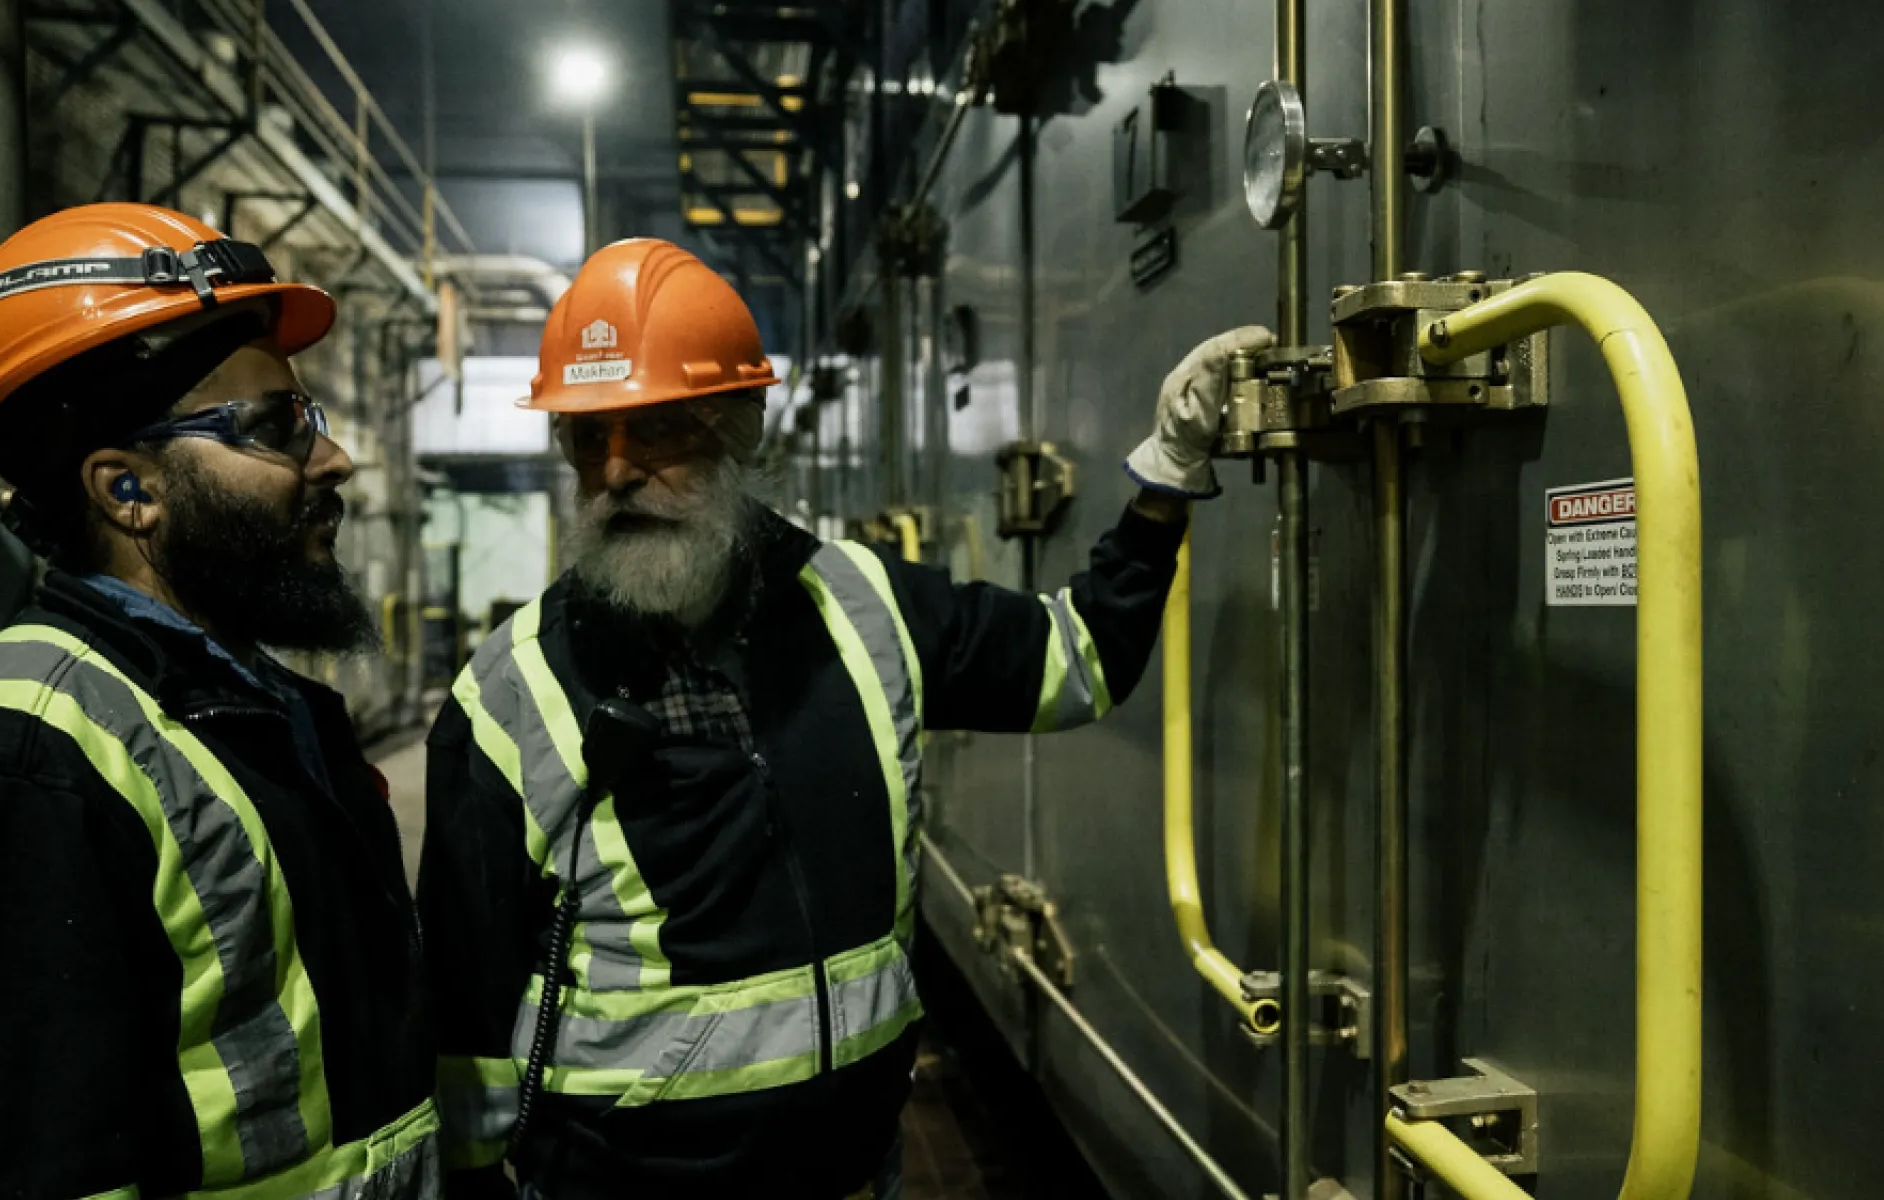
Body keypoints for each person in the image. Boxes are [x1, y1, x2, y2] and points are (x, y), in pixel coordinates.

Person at [419, 237, 1271, 1197]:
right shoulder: (508, 695)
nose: (615, 471)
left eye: (654, 429)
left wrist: (1164, 478)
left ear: (737, 429)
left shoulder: (865, 606)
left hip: (853, 1172)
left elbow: (1076, 664)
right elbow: (465, 1010)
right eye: (588, 437)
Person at [0, 203, 438, 1197]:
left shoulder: (246, 708)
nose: (332, 461)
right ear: (127, 492)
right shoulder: (17, 764)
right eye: (277, 428)